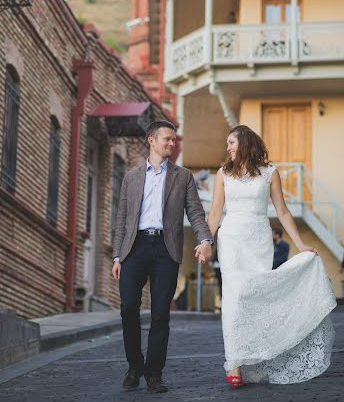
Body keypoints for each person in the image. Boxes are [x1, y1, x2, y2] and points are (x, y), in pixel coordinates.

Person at [197, 125, 336, 388]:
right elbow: (215, 213)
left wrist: (301, 244)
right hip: (232, 239)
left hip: (259, 240)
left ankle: (256, 352)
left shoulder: (270, 173)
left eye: (231, 142)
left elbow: (282, 212)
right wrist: (206, 242)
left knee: (256, 295)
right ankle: (234, 362)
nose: (227, 147)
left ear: (245, 142)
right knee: (234, 298)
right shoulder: (223, 173)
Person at [112, 120, 213, 394]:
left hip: (165, 250)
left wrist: (205, 239)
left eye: (174, 139)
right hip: (134, 248)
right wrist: (117, 256)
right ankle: (135, 366)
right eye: (167, 139)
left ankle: (154, 374)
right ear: (152, 140)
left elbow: (195, 212)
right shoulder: (131, 177)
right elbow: (121, 218)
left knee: (160, 315)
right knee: (128, 308)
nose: (172, 143)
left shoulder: (183, 177)